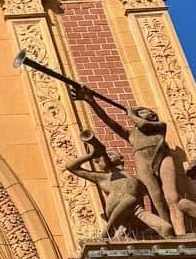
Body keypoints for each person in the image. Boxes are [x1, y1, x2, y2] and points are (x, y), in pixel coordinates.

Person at [74, 90, 184, 234]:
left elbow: (144, 125)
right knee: (155, 196)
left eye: (148, 111)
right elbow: (108, 121)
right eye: (142, 111)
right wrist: (91, 101)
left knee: (172, 196)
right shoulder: (132, 135)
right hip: (142, 160)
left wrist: (131, 114)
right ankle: (165, 228)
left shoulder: (160, 126)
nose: (146, 113)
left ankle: (181, 232)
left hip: (162, 157)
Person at [65, 134, 172, 238]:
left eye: (110, 154)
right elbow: (71, 167)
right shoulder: (104, 178)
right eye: (101, 159)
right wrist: (90, 155)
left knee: (166, 228)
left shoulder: (136, 178)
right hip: (118, 209)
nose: (105, 157)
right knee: (129, 200)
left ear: (121, 158)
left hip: (136, 210)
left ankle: (131, 233)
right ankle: (110, 228)